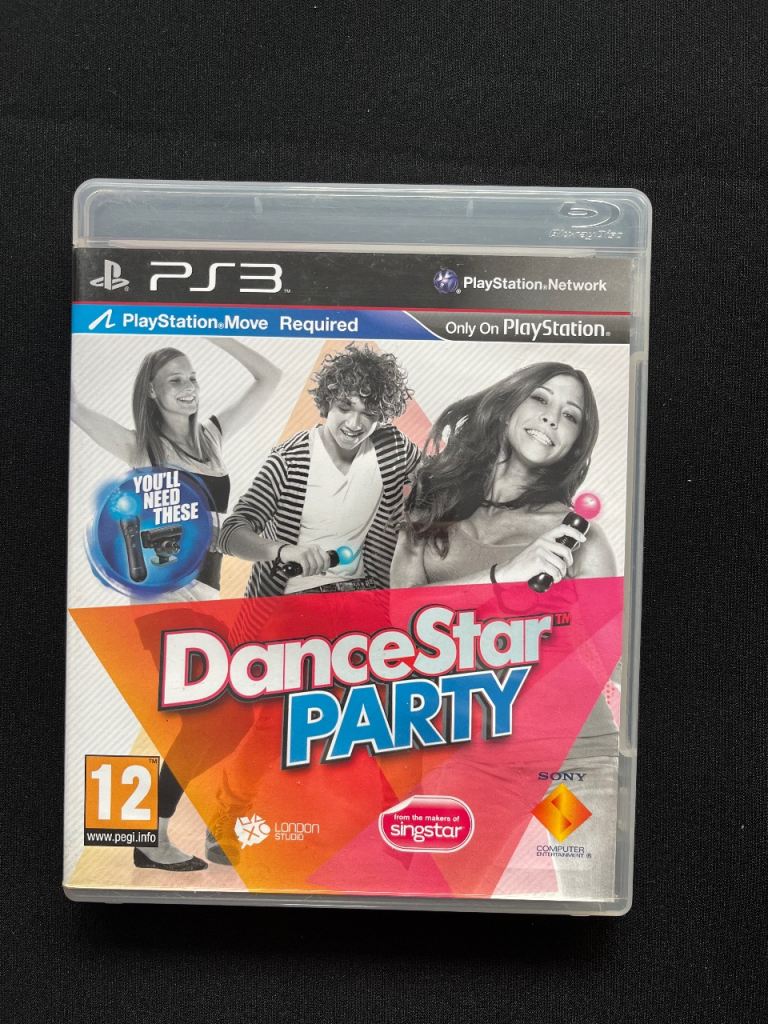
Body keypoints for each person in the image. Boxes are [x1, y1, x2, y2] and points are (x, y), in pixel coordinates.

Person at [391, 362, 619, 899]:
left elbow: (611, 654)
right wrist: (502, 579)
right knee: (442, 903)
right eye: (541, 399)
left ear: (575, 442)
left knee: (589, 898)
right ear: (509, 403)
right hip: (470, 755)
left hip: (569, 765)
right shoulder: (429, 511)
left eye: (570, 416)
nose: (552, 419)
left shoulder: (580, 537)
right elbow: (401, 622)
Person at [71, 338, 282, 870]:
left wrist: (216, 330)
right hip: (163, 602)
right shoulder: (142, 447)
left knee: (226, 719)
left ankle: (164, 833)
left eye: (191, 378)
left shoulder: (211, 436)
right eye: (174, 381)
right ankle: (158, 836)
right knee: (216, 716)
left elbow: (270, 378)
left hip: (205, 599)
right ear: (152, 392)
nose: (188, 388)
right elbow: (73, 408)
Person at [219, 344, 420, 598]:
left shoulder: (392, 446)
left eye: (368, 414)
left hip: (364, 595)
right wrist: (283, 551)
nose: (354, 424)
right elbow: (231, 532)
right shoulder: (289, 460)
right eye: (344, 408)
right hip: (291, 602)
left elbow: (440, 478)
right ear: (328, 402)